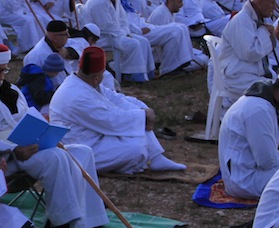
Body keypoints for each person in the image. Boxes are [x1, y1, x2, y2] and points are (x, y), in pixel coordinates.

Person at [0, 42, 109, 228]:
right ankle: (63, 221)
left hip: (27, 148)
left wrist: (46, 135)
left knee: (82, 151)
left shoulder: (11, 90)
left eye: (4, 70)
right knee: (55, 158)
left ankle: (91, 217)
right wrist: (12, 149)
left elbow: (29, 119)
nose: (1, 76)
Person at [49, 46, 186, 174]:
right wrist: (143, 115)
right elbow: (111, 121)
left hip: (96, 135)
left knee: (138, 122)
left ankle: (156, 157)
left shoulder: (86, 83)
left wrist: (143, 109)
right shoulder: (75, 96)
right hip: (80, 148)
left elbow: (117, 99)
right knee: (136, 149)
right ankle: (153, 158)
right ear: (96, 77)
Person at [218, 68, 279, 199]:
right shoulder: (258, 110)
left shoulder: (264, 104)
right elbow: (267, 161)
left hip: (247, 173)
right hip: (245, 181)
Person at [216, 0, 279, 108]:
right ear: (260, 3)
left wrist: (267, 33)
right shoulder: (241, 20)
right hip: (236, 76)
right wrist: (264, 32)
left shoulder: (257, 19)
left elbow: (270, 47)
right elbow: (250, 54)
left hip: (248, 72)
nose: (274, 7)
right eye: (272, 3)